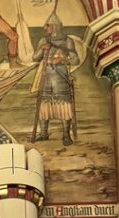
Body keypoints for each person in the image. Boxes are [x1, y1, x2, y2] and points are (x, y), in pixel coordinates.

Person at [30, 11, 78, 146]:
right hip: (45, 75)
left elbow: (75, 59)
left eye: (48, 26)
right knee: (44, 104)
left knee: (64, 105)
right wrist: (42, 49)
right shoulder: (43, 40)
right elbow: (34, 58)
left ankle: (66, 135)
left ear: (55, 26)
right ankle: (44, 133)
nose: (45, 28)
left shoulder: (67, 41)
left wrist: (63, 57)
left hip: (60, 76)